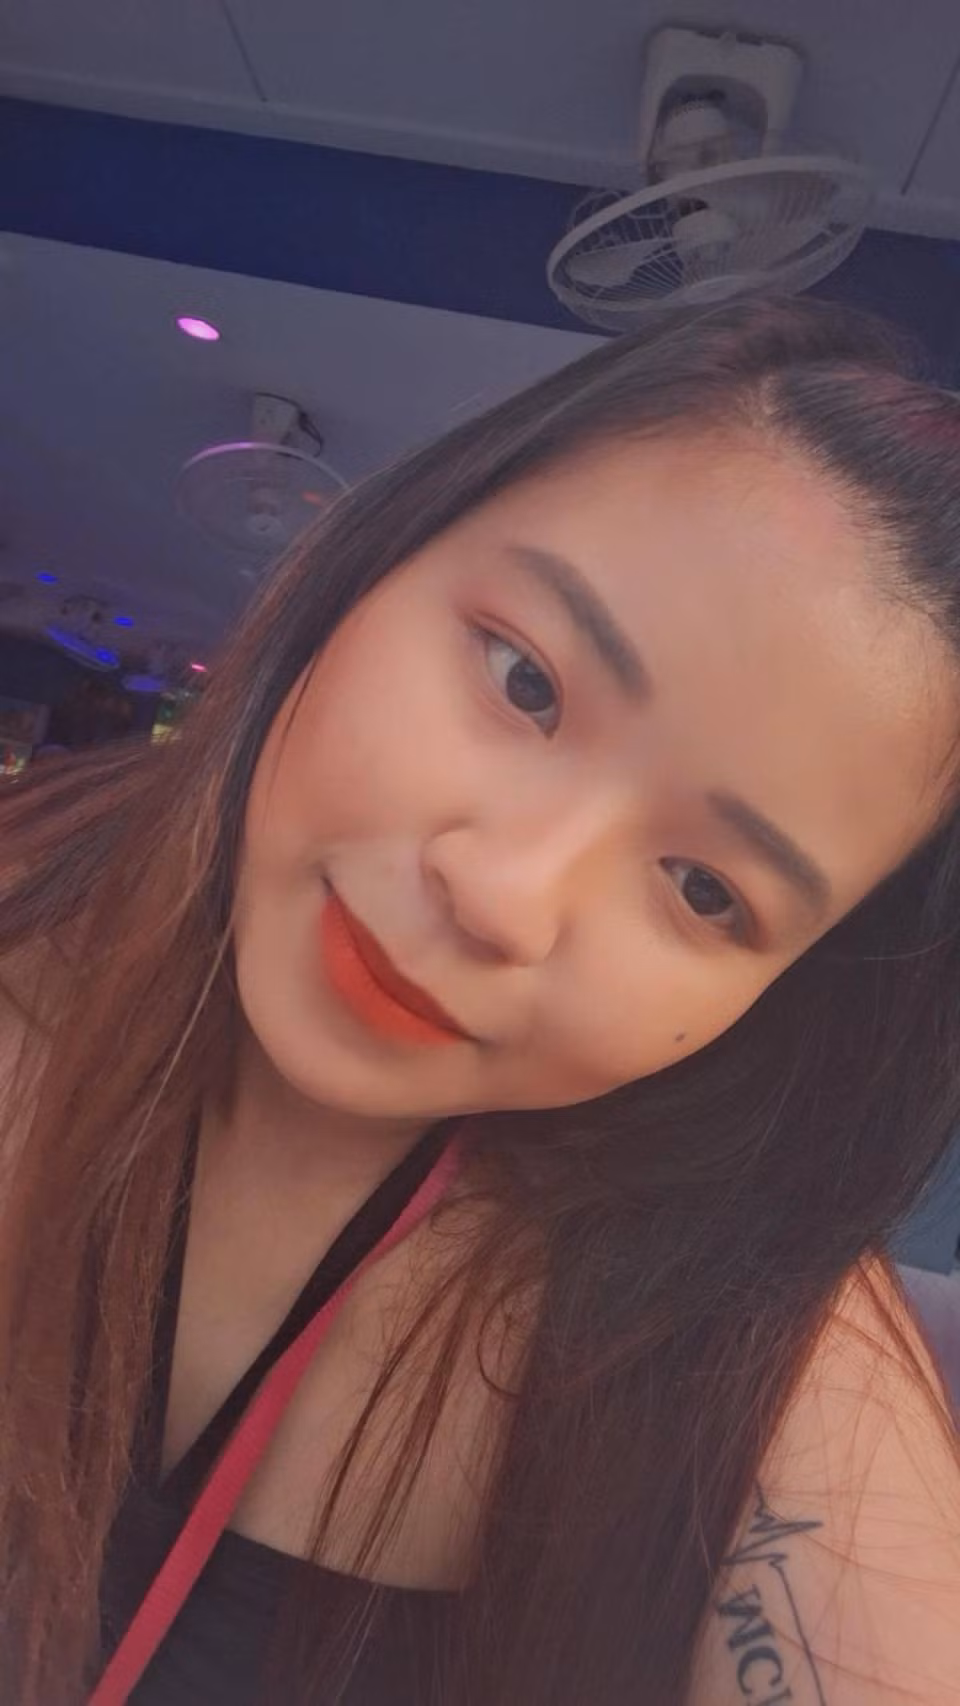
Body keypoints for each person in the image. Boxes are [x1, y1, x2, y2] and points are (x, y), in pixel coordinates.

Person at [1, 296, 960, 1706]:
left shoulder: (737, 1355)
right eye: (524, 681)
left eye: (705, 890)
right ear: (380, 552)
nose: (504, 896)